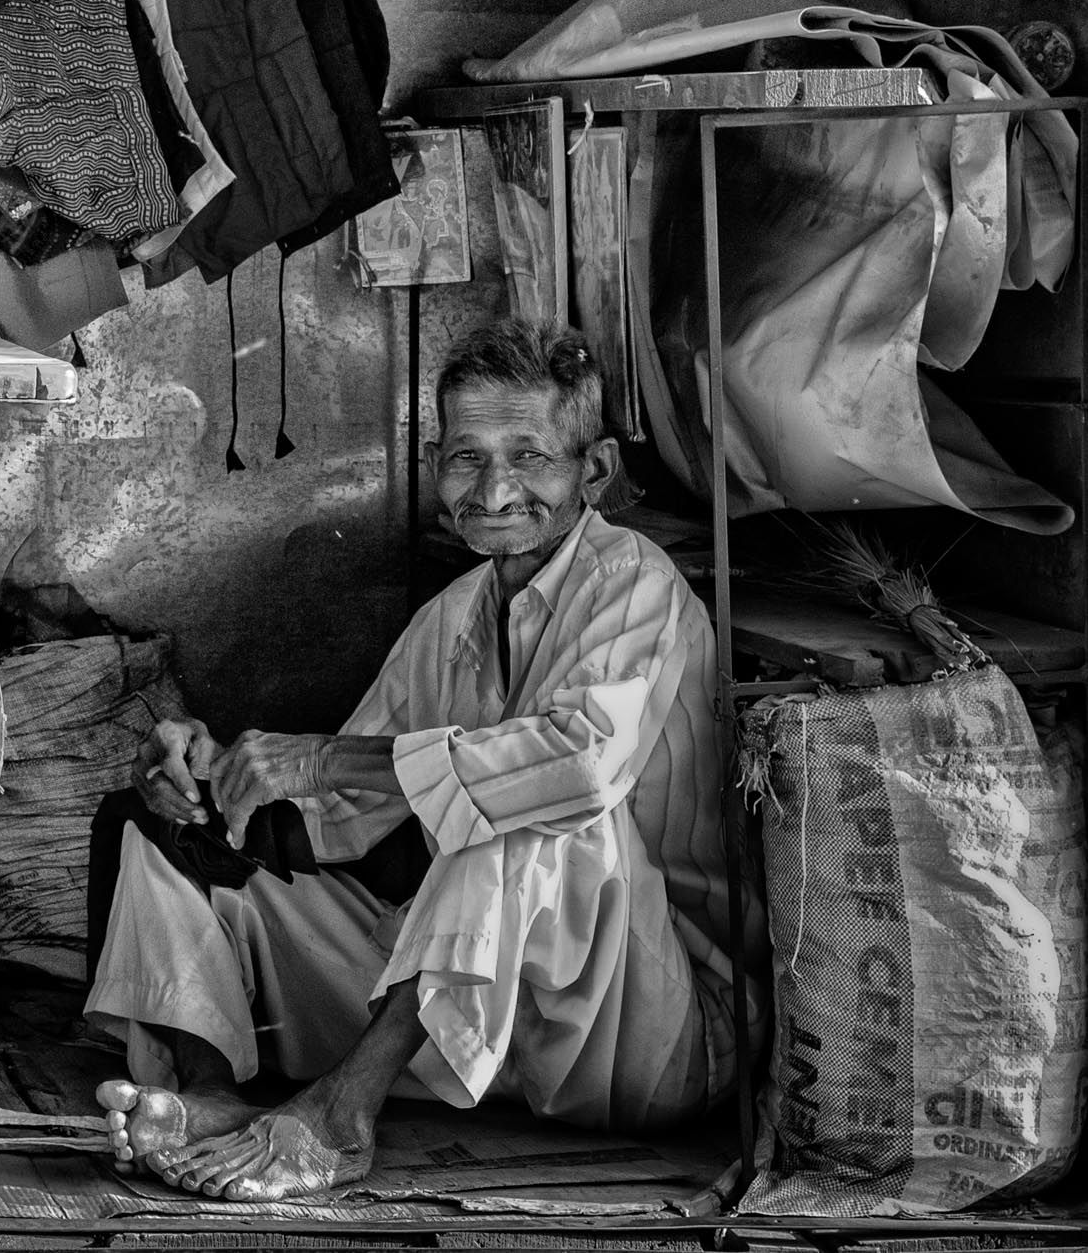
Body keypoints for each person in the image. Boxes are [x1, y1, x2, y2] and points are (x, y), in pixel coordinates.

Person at [84, 318, 755, 1201]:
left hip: (648, 1032)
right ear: (436, 463)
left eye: (529, 456)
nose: (495, 488)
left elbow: (580, 766)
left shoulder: (636, 581)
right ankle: (209, 1088)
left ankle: (341, 1115)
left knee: (529, 801)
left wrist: (320, 760)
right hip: (485, 1020)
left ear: (594, 470)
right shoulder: (452, 616)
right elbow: (342, 808)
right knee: (163, 838)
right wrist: (210, 774)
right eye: (467, 457)